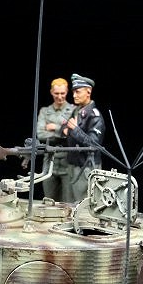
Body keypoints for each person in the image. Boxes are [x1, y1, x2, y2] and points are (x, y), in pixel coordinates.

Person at [60, 73, 104, 203]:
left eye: (78, 92)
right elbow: (64, 126)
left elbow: (93, 143)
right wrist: (68, 129)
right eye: (73, 92)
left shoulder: (94, 116)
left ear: (88, 92)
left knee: (83, 204)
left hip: (86, 167)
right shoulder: (76, 111)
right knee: (68, 203)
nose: (74, 95)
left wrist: (74, 130)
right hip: (72, 164)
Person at [34, 77, 73, 201]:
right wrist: (63, 132)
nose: (60, 97)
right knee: (49, 200)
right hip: (49, 161)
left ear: (67, 92)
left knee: (68, 202)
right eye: (56, 93)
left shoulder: (73, 110)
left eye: (62, 93)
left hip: (68, 162)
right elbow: (40, 134)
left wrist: (55, 128)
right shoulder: (45, 111)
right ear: (51, 92)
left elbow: (72, 135)